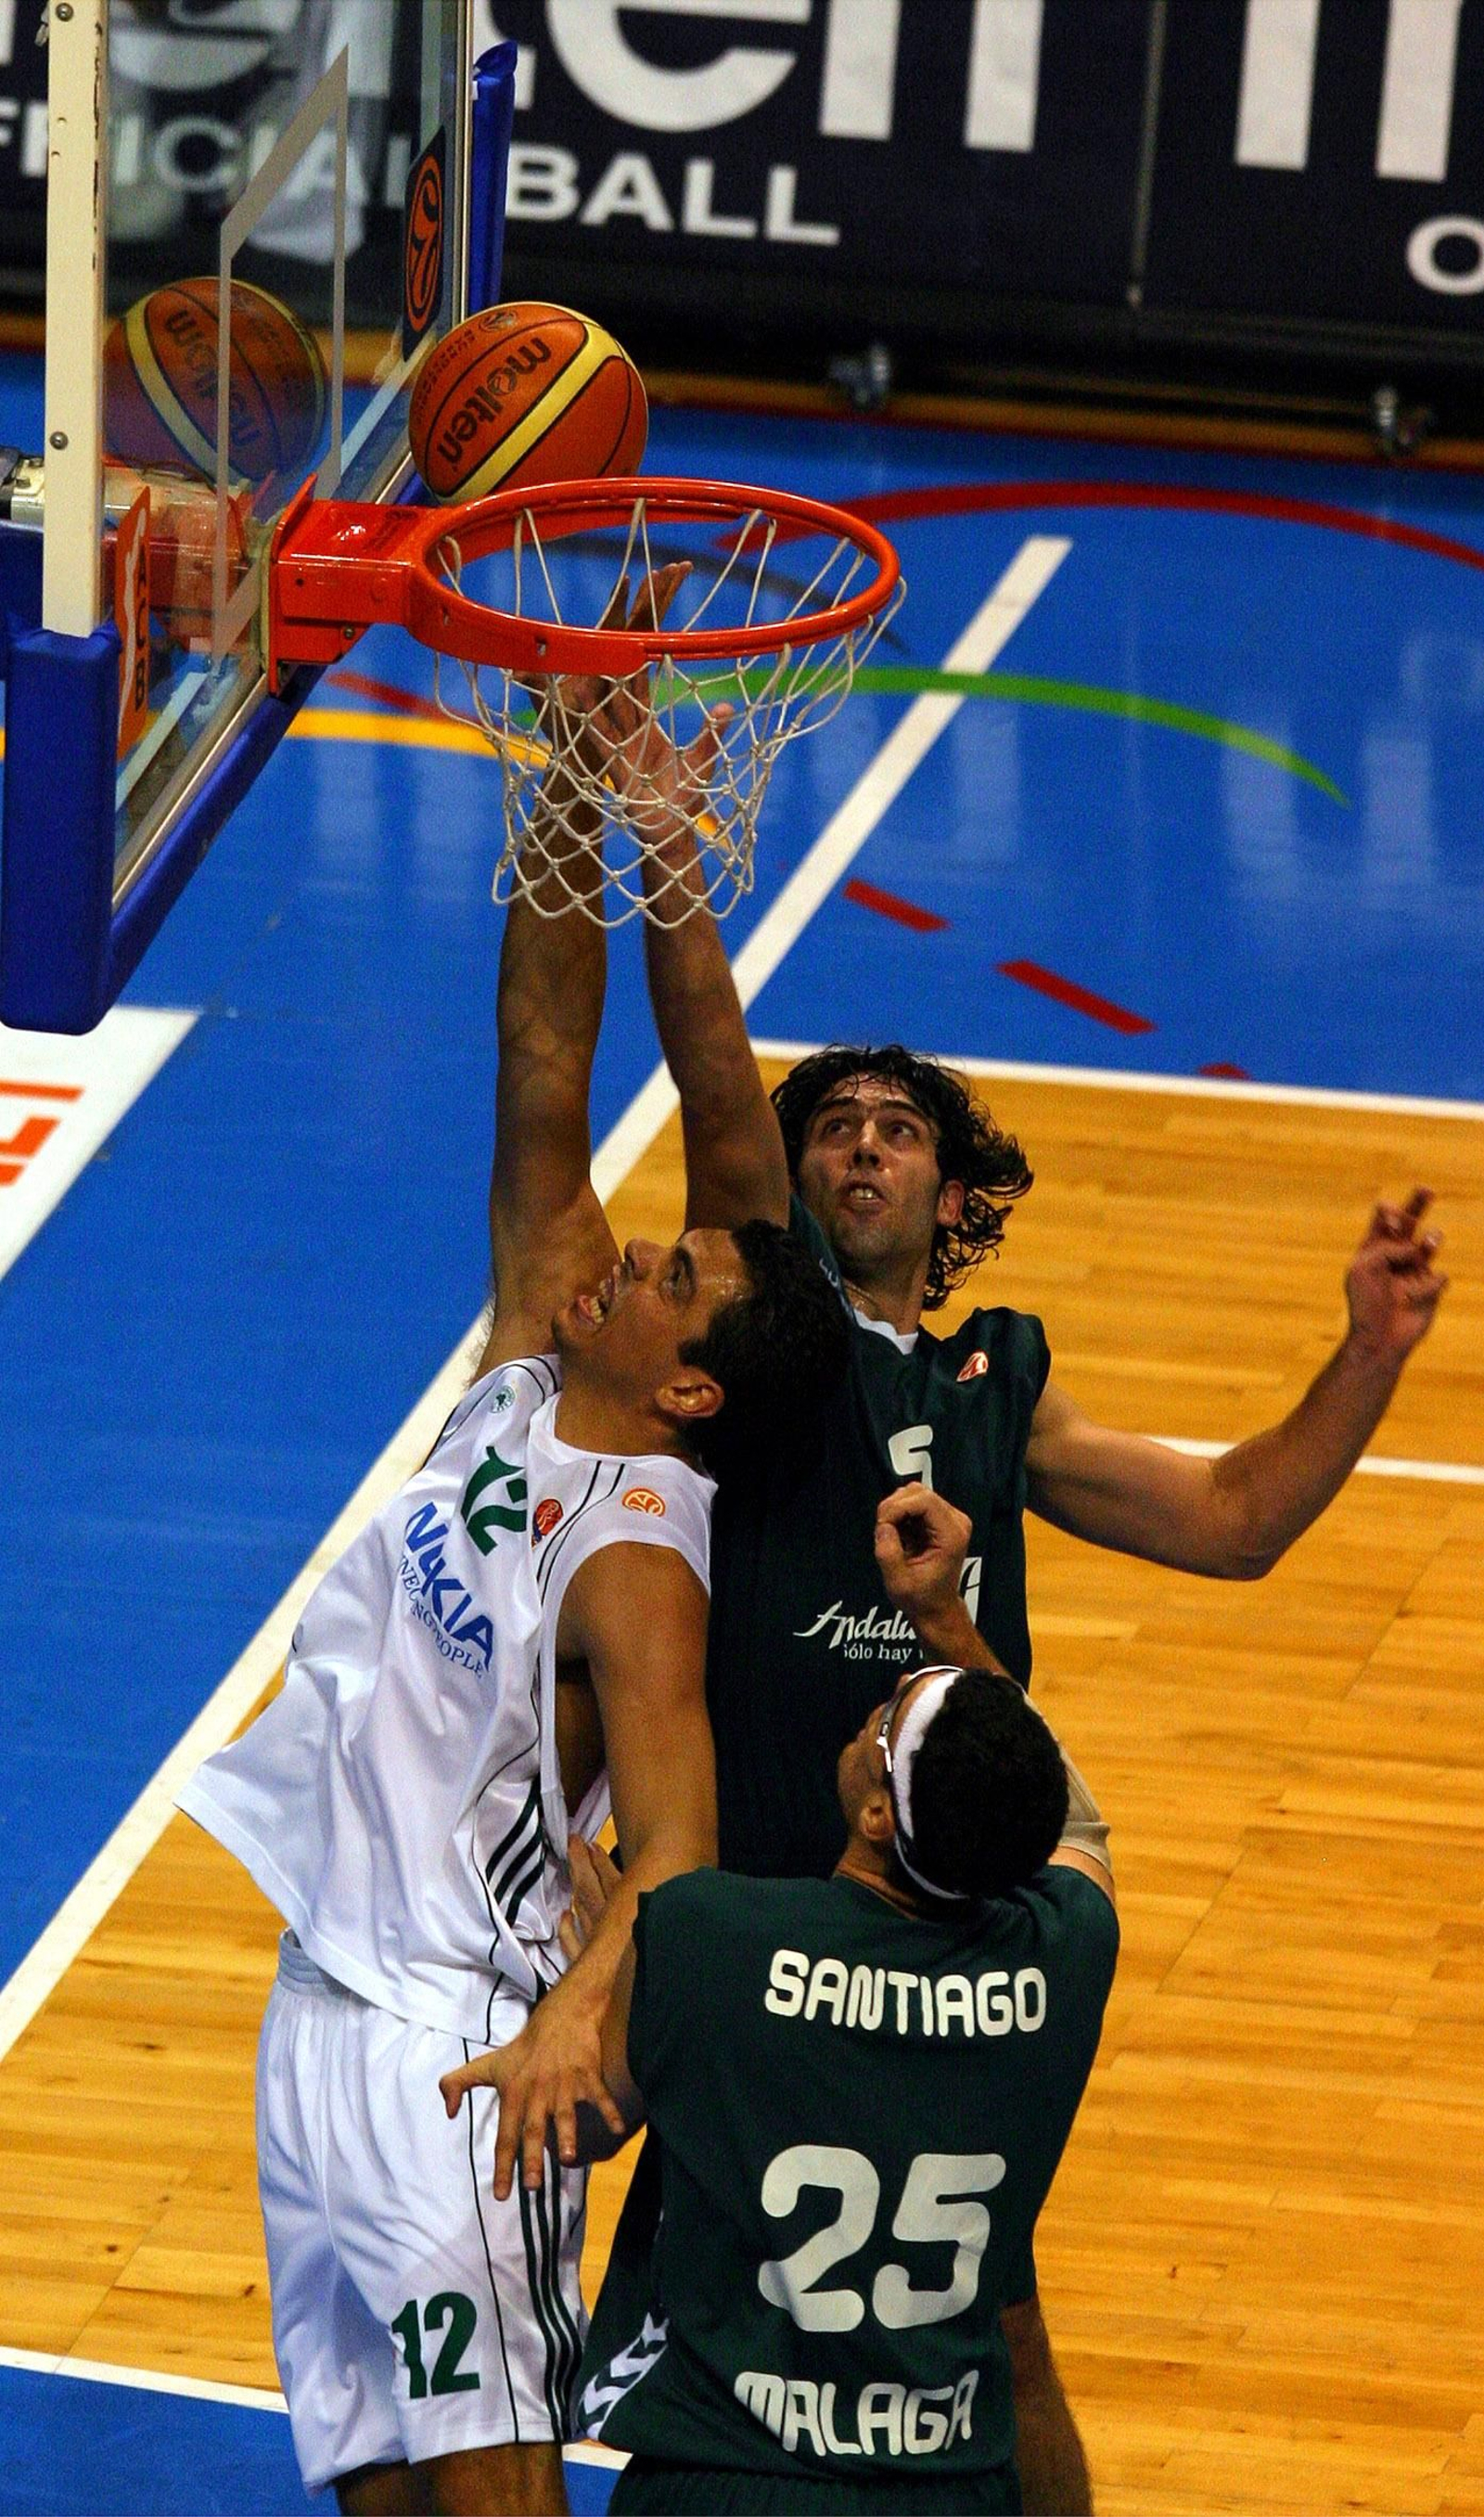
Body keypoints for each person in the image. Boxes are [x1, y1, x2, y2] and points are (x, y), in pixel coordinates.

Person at [567, 660, 1449, 2512]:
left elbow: (1230, 1518)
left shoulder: (996, 1393)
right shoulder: (781, 1352)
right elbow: (717, 1077)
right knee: (683, 2350)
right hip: (755, 1936)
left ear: (953, 1190)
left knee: (992, 2329)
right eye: (837, 1126)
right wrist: (668, 848)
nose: (857, 1137)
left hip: (938, 1930)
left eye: (895, 1123)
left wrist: (1364, 1350)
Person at [175, 713, 849, 2517]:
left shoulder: (636, 1547)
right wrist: (572, 749)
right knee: (378, 2501)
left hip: (450, 2046)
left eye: (675, 1275)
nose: (639, 1247)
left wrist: (581, 2015)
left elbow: (682, 1842)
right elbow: (542, 1059)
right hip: (316, 2007)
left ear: (692, 1387)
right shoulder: (537, 1348)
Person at [443, 1483, 1119, 2514]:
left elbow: (583, 2124)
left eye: (889, 1717)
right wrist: (947, 1621)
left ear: (879, 1809)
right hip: (945, 2487)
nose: (875, 1703)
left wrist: (585, 1982)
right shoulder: (1064, 1958)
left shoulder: (711, 1936)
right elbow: (1074, 1823)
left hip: (727, 2479)